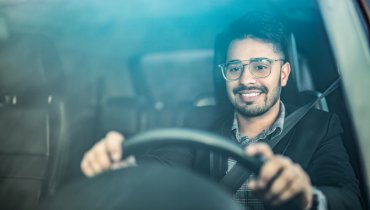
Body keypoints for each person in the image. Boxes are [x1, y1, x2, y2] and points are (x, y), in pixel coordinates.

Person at [80, 12, 363, 210]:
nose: (246, 80)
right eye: (234, 68)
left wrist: (307, 199)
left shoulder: (321, 126)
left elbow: (349, 199)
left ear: (284, 73)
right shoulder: (198, 120)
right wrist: (125, 170)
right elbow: (163, 164)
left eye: (261, 66)